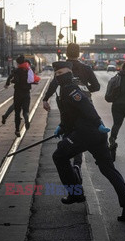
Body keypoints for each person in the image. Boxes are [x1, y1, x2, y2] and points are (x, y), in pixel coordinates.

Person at [50, 61, 125, 220]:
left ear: (69, 72)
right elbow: (70, 114)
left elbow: (86, 107)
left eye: (61, 73)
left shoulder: (70, 89)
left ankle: (75, 193)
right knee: (108, 169)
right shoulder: (70, 87)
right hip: (94, 134)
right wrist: (62, 127)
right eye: (56, 74)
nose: (59, 77)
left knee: (59, 156)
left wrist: (98, 123)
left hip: (87, 133)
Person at [42, 43, 100, 181]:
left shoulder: (62, 67)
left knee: (68, 139)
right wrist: (84, 91)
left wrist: (45, 99)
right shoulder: (86, 68)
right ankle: (77, 166)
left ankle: (72, 173)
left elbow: (54, 84)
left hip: (67, 109)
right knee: (80, 136)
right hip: (85, 108)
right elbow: (96, 86)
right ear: (79, 53)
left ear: (66, 53)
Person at [4, 55, 31, 137]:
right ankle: (26, 117)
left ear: (18, 63)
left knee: (17, 113)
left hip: (18, 93)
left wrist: (8, 83)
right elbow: (33, 79)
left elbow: (12, 78)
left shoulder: (16, 70)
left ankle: (17, 130)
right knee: (25, 110)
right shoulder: (28, 70)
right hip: (27, 93)